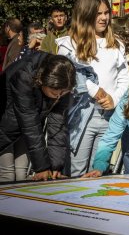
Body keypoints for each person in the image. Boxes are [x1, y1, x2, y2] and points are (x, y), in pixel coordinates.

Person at [57, 0, 129, 177]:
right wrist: (96, 91)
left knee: (98, 172)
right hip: (81, 115)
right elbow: (70, 74)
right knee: (76, 171)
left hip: (109, 116)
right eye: (98, 13)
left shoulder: (116, 45)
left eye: (107, 13)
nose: (104, 18)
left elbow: (124, 77)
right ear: (86, 14)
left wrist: (113, 98)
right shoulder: (69, 44)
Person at [0, 52, 76, 181]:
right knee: (7, 174)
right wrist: (42, 168)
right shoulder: (24, 75)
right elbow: (28, 119)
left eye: (63, 93)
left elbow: (57, 125)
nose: (58, 97)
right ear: (41, 81)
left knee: (21, 175)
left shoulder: (63, 81)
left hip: (28, 131)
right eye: (54, 93)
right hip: (5, 126)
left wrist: (55, 166)